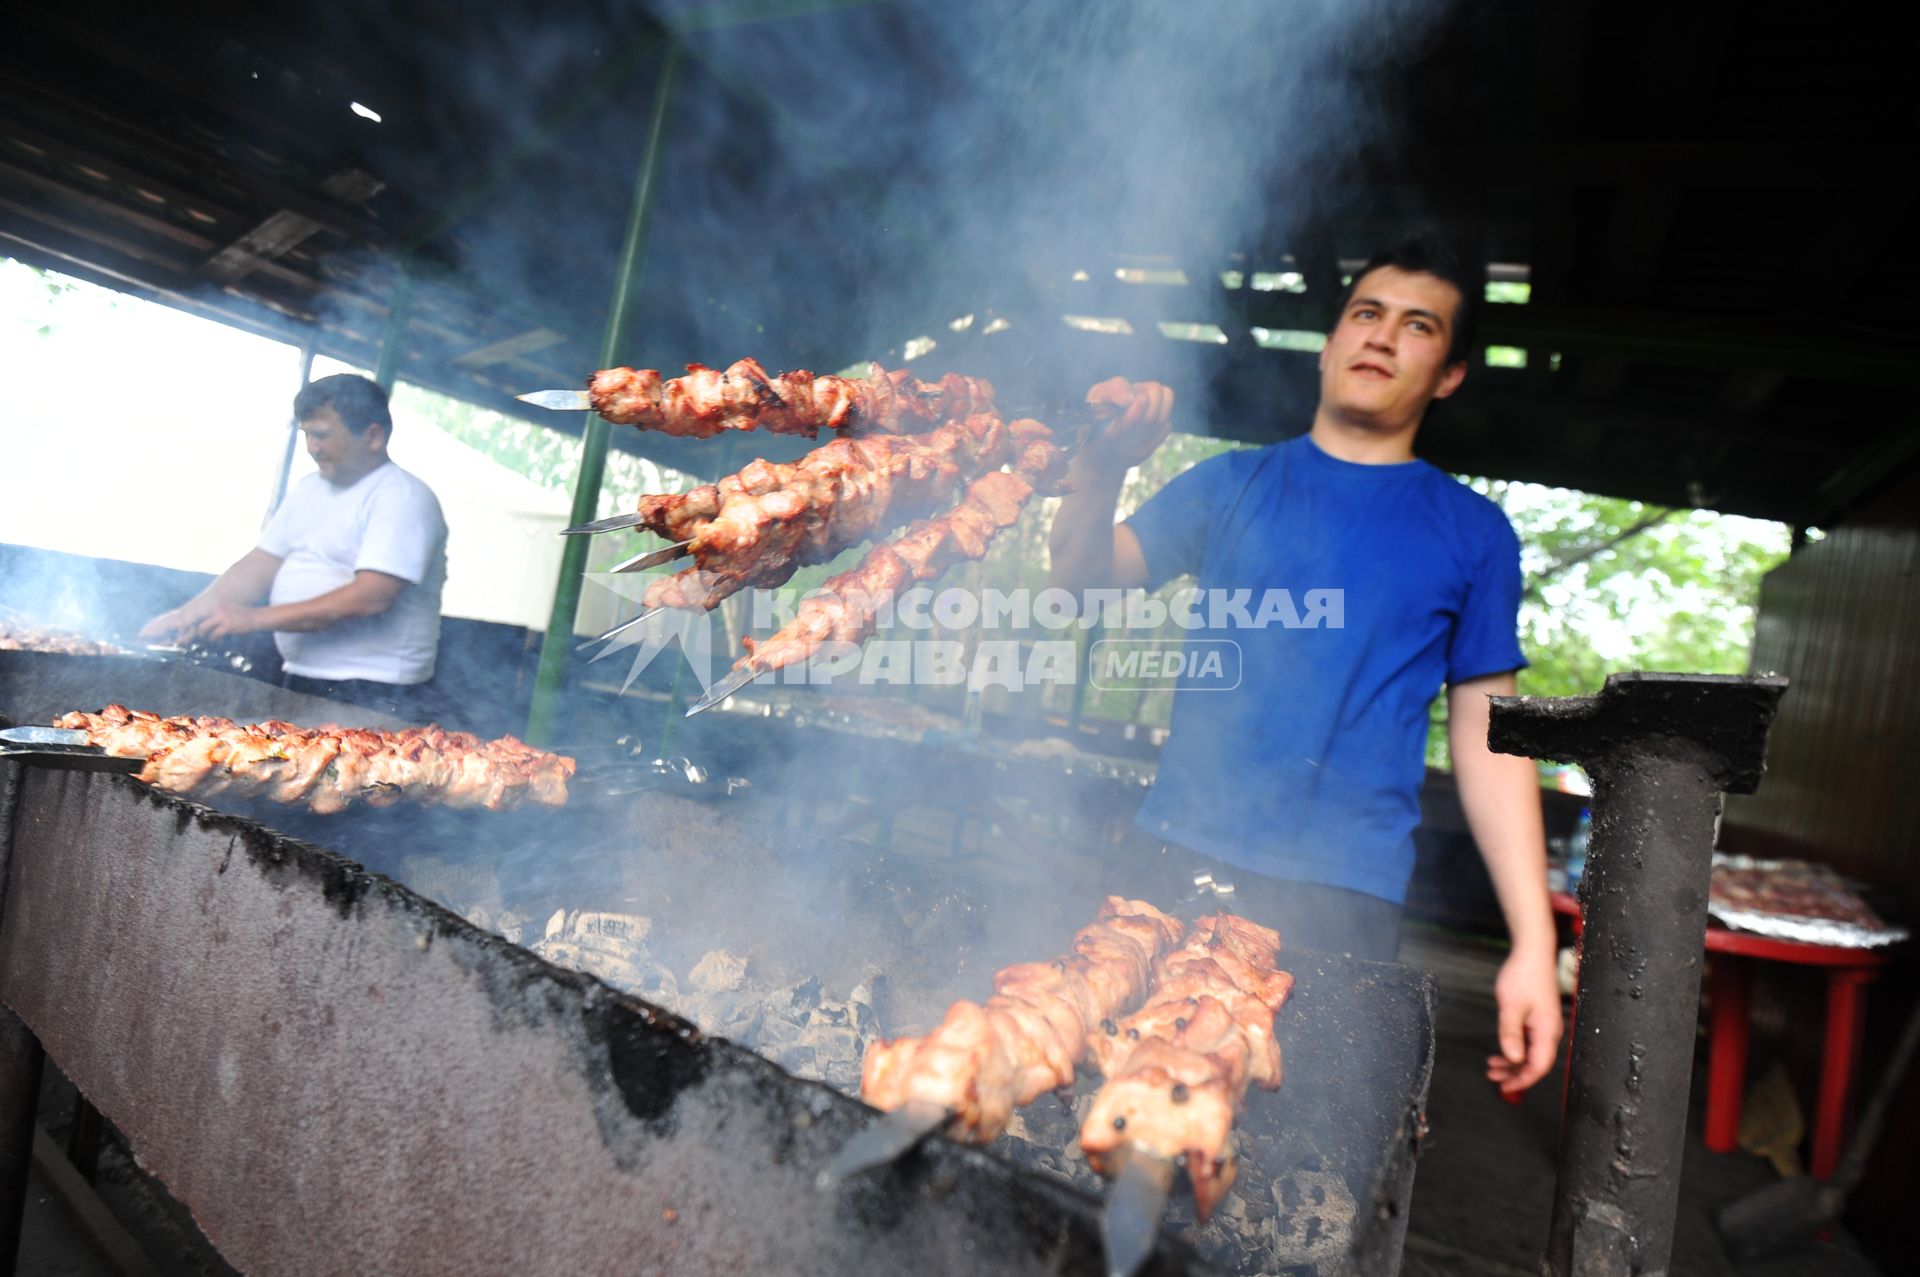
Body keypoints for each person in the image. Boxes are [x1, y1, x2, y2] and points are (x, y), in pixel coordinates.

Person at [1050, 235, 1563, 1096]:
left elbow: (1488, 744)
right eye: (1366, 313)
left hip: (1344, 896)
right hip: (1169, 858)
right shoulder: (1230, 485)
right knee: (1093, 1102)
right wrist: (1099, 467)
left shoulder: (1474, 532)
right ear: (1328, 344)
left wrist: (1534, 945)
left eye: (1418, 326)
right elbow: (1079, 586)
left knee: (1285, 1139)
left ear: (1449, 374)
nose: (1383, 336)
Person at [141, 374, 449, 722]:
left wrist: (252, 618)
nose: (311, 447)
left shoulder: (402, 497)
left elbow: (372, 596)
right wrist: (188, 614)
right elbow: (260, 565)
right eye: (306, 434)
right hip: (304, 677)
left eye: (321, 434)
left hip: (375, 691)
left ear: (374, 435)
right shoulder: (310, 489)